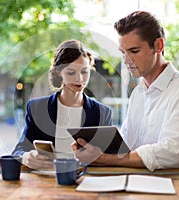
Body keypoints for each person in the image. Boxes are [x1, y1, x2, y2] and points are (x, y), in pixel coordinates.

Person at [72, 11, 179, 171]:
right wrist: (94, 149)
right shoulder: (138, 93)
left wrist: (107, 159)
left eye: (134, 51)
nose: (126, 61)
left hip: (170, 187)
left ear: (159, 46)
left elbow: (175, 152)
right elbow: (126, 146)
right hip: (133, 184)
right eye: (123, 52)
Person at [12, 39, 112, 170]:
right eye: (71, 72)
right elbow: (20, 149)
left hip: (86, 181)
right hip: (47, 181)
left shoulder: (102, 112)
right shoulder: (38, 108)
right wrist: (27, 157)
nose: (79, 79)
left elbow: (110, 156)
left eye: (84, 71)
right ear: (59, 72)